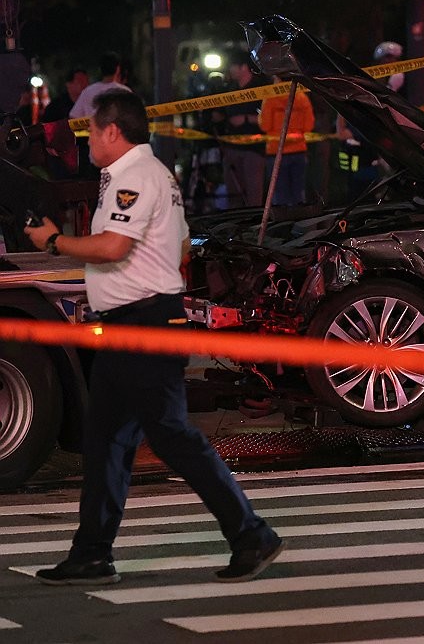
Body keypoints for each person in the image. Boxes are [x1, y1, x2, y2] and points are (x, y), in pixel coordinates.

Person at [23, 90, 283, 585]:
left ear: (113, 132)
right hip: (132, 323)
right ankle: (92, 554)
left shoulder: (137, 177)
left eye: (92, 132)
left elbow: (114, 246)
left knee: (169, 434)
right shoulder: (142, 176)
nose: (89, 140)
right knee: (105, 441)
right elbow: (180, 242)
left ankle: (252, 535)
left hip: (145, 324)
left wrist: (54, 242)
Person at [213, 51, 267, 208]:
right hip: (232, 148)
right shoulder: (229, 89)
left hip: (254, 149)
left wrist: (245, 119)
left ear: (244, 67)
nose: (230, 70)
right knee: (233, 194)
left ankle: (255, 228)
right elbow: (220, 114)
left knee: (253, 195)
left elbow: (270, 118)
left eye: (233, 66)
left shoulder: (261, 89)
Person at [259, 75, 315, 206]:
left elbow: (265, 125)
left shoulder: (270, 98)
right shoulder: (302, 97)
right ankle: (301, 222)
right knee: (298, 194)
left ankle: (282, 224)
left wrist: (259, 117)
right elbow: (309, 126)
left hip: (276, 152)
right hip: (299, 151)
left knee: (279, 195)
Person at [38, 66, 88, 177]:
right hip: (62, 158)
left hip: (86, 155)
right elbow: (47, 130)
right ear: (69, 84)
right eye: (80, 81)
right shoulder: (55, 106)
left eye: (86, 81)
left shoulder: (90, 104)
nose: (84, 85)